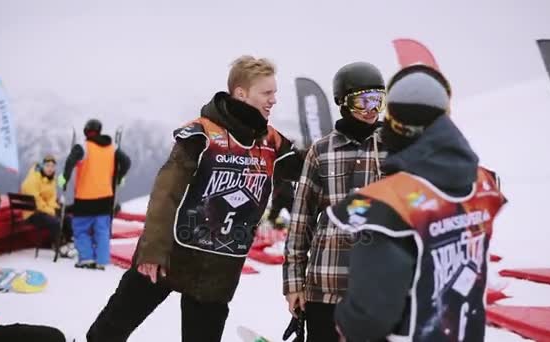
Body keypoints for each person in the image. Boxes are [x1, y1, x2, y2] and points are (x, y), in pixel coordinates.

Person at [86, 55, 304, 342]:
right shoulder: (202, 134)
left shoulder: (271, 141)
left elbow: (307, 169)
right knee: (108, 331)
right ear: (241, 93)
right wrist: (152, 252)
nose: (274, 100)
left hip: (219, 268)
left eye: (274, 93)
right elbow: (166, 192)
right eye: (267, 93)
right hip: (171, 254)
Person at [327, 65, 507, 341]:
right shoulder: (483, 183)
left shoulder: (386, 203)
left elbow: (370, 316)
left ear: (396, 123)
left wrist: (346, 322)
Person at [283, 61, 387, 342]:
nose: (371, 109)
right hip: (325, 288)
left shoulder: (394, 148)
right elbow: (301, 220)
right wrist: (294, 283)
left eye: (378, 100)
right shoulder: (321, 151)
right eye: (362, 101)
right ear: (342, 101)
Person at [59, 119, 131, 270]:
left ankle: (86, 258)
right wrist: (119, 177)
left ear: (86, 131)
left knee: (81, 230)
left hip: (85, 198)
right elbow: (126, 162)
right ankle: (102, 261)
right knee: (102, 230)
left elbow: (70, 161)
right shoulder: (112, 147)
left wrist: (64, 178)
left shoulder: (83, 146)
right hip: (106, 198)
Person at [20, 155, 76, 257]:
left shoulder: (52, 179)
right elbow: (36, 201)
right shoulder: (33, 179)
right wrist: (51, 211)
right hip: (32, 213)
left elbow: (51, 198)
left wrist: (56, 209)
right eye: (47, 166)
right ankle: (60, 247)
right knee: (54, 222)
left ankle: (70, 243)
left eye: (52, 166)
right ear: (42, 166)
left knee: (66, 218)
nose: (50, 169)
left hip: (45, 210)